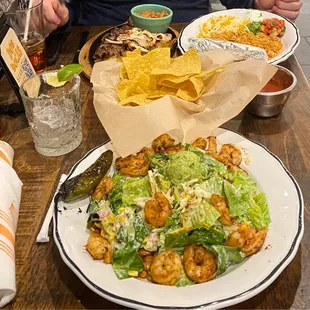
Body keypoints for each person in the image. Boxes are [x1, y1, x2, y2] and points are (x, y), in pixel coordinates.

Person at [39, 0, 303, 35]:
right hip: (97, 45)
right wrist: (53, 15)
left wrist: (262, 4)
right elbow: (67, 10)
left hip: (194, 45)